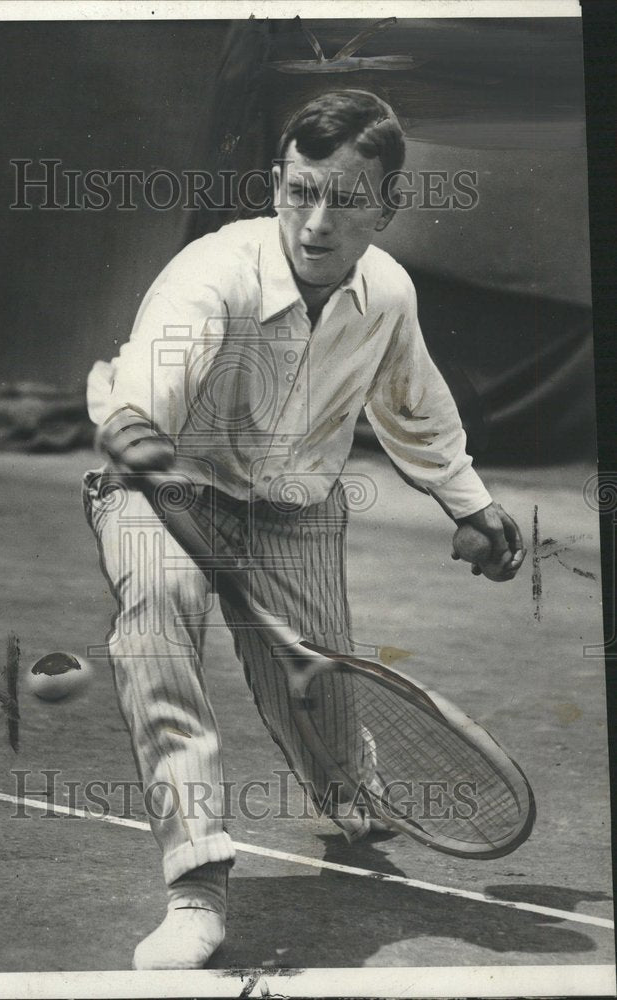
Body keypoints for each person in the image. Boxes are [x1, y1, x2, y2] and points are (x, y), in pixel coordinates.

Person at [83, 89, 526, 970]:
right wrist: (187, 521)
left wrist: (471, 505)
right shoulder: (212, 276)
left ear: (388, 207)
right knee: (160, 619)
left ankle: (346, 781)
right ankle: (195, 887)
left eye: (347, 199)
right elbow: (141, 427)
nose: (316, 222)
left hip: (294, 510)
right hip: (159, 482)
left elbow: (415, 408)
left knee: (320, 706)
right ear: (276, 186)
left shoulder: (388, 292)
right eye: (299, 191)